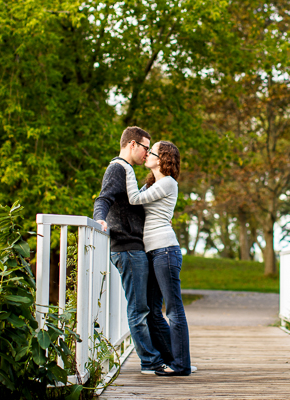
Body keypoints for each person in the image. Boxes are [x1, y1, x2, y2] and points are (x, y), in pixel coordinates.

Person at [93, 126, 172, 375]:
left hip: (135, 247)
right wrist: (99, 219)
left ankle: (168, 359)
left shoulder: (127, 171)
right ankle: (150, 362)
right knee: (139, 309)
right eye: (146, 147)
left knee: (147, 307)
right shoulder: (117, 167)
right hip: (126, 247)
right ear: (132, 145)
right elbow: (103, 198)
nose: (147, 153)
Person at [111, 140, 192, 376]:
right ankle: (173, 359)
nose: (146, 155)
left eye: (151, 152)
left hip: (165, 250)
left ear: (162, 158)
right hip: (153, 252)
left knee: (173, 310)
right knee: (155, 311)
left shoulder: (168, 183)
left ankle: (181, 365)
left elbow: (134, 199)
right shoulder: (153, 184)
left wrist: (124, 166)